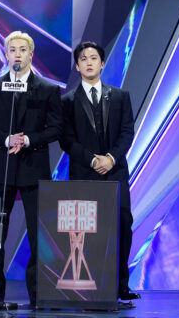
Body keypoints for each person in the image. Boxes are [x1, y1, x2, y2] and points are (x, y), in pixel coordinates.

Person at [0, 31, 63, 306]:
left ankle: (37, 292)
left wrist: (27, 139)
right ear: (6, 54)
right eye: (12, 49)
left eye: (22, 50)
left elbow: (55, 128)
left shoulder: (48, 89)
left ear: (31, 54)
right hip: (1, 169)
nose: (17, 54)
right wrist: (6, 139)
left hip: (33, 167)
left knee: (38, 232)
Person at [59, 41, 140, 302]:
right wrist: (93, 160)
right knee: (86, 231)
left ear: (102, 63)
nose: (89, 62)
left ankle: (121, 286)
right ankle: (89, 285)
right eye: (83, 59)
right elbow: (66, 140)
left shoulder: (120, 96)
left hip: (115, 172)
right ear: (77, 66)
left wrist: (111, 158)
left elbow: (127, 132)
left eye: (94, 58)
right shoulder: (67, 101)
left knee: (122, 225)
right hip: (84, 172)